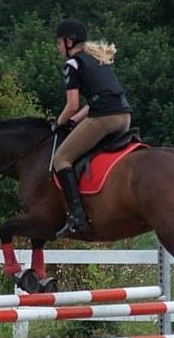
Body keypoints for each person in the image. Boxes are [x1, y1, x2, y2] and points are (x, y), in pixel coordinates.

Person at [52, 18, 132, 237]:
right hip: (124, 117)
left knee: (61, 159)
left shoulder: (72, 64)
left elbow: (72, 105)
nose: (58, 48)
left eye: (59, 43)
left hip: (104, 118)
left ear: (69, 42)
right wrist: (73, 122)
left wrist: (58, 124)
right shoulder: (97, 60)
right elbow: (91, 103)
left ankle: (77, 217)